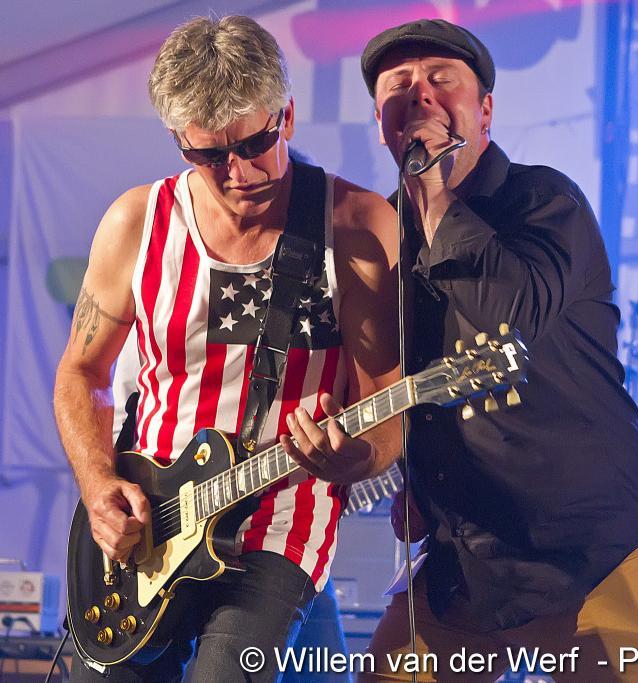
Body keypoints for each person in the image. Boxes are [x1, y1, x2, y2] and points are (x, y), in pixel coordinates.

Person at [54, 15, 400, 681]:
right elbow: (82, 371)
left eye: (255, 143)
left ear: (287, 116)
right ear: (178, 141)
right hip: (150, 523)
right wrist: (98, 486)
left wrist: (355, 457)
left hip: (279, 524)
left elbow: (388, 400)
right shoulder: (137, 222)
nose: (239, 173)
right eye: (211, 156)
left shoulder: (356, 226)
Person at [358, 19, 638, 682]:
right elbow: (397, 379)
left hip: (589, 553)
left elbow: (506, 317)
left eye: (440, 80)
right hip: (467, 563)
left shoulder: (544, 200)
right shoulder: (383, 234)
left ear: (485, 110)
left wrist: (434, 196)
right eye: (399, 86)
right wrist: (414, 473)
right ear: (380, 122)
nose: (420, 94)